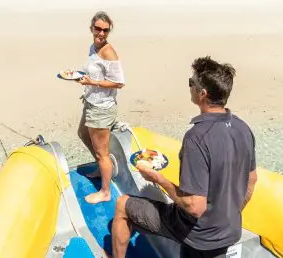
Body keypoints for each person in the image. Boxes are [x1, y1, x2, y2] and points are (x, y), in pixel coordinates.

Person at [110, 56, 257, 258]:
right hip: (230, 230)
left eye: (191, 83)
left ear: (202, 94)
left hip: (198, 233)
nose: (190, 87)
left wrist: (157, 179)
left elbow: (194, 207)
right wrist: (228, 215)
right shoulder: (243, 128)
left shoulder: (197, 137)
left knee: (122, 206)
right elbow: (252, 180)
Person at [78, 11, 126, 204]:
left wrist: (93, 83)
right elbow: (95, 73)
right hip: (91, 101)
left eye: (105, 30)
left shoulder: (108, 52)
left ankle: (105, 192)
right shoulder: (94, 47)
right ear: (91, 28)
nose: (101, 33)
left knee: (102, 152)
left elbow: (119, 83)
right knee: (82, 133)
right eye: (98, 29)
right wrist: (83, 78)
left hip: (102, 108)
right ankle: (101, 167)